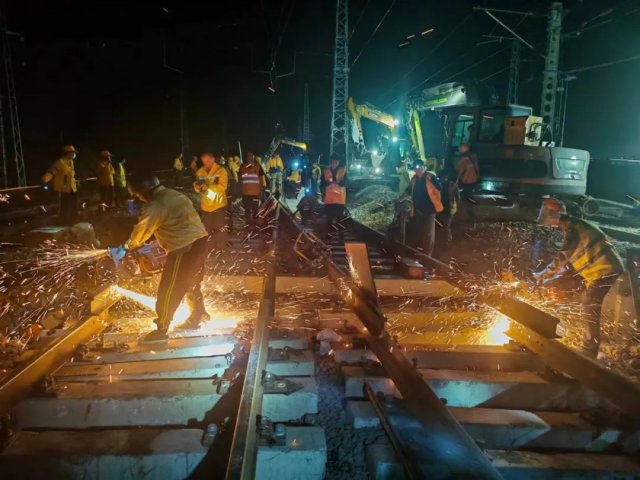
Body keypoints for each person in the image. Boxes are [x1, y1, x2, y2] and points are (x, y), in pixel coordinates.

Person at [112, 173, 209, 343]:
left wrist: (126, 247)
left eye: (137, 194)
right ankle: (198, 315)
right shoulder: (173, 194)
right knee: (191, 282)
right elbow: (177, 222)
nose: (138, 198)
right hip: (200, 242)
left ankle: (161, 329)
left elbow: (142, 230)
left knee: (169, 287)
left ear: (146, 189)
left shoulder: (156, 205)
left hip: (183, 249)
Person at [533, 199, 624, 358]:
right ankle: (590, 345)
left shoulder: (572, 230)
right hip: (601, 270)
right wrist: (551, 278)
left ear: (554, 216)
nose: (545, 221)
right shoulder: (574, 227)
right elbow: (570, 262)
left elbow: (563, 256)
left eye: (546, 216)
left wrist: (543, 274)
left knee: (589, 305)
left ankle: (589, 351)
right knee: (588, 303)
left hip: (604, 269)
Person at [406, 160, 443, 256]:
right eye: (416, 168)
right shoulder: (414, 179)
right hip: (418, 210)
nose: (418, 170)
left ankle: (428, 254)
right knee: (421, 231)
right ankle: (422, 249)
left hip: (430, 209)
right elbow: (408, 190)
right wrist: (400, 198)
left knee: (429, 233)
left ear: (424, 167)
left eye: (420, 167)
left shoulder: (430, 177)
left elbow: (439, 188)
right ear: (414, 169)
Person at [194, 152, 228, 252]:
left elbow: (223, 187)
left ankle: (220, 249)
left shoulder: (220, 170)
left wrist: (208, 186)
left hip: (219, 206)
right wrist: (197, 187)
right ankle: (207, 250)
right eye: (204, 161)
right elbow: (198, 187)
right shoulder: (200, 171)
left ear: (213, 159)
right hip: (206, 207)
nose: (206, 163)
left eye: (208, 161)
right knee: (206, 230)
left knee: (219, 229)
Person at [41, 145, 79, 224]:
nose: (74, 154)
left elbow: (71, 174)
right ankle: (63, 222)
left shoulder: (71, 162)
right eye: (73, 152)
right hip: (64, 188)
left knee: (74, 205)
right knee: (65, 206)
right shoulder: (60, 162)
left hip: (72, 187)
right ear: (68, 153)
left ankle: (74, 220)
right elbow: (52, 171)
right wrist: (45, 180)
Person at [323, 154, 347, 233]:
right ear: (331, 161)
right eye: (333, 161)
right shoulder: (326, 171)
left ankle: (340, 235)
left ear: (338, 162)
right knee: (329, 219)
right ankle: (329, 235)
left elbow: (346, 183)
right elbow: (322, 184)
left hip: (339, 200)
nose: (334, 163)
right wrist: (328, 182)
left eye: (336, 161)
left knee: (339, 219)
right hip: (329, 199)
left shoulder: (343, 171)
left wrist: (339, 182)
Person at [455, 143, 479, 223]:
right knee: (466, 196)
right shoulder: (473, 157)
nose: (459, 150)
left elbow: (457, 168)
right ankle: (470, 213)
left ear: (463, 149)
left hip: (467, 180)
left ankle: (469, 215)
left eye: (460, 149)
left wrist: (459, 179)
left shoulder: (463, 158)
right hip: (474, 179)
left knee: (464, 197)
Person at [436, 170, 460, 247]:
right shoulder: (439, 185)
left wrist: (457, 207)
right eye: (439, 178)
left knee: (446, 226)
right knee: (443, 225)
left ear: (445, 178)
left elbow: (458, 197)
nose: (440, 180)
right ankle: (444, 240)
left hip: (449, 209)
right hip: (441, 208)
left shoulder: (452, 185)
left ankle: (448, 241)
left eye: (441, 178)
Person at [239, 151, 263, 228]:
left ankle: (251, 224)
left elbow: (261, 180)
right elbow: (240, 178)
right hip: (249, 193)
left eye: (250, 157)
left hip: (251, 193)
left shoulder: (256, 167)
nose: (249, 158)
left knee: (252, 209)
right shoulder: (244, 167)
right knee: (250, 209)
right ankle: (251, 224)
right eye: (248, 157)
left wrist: (261, 191)